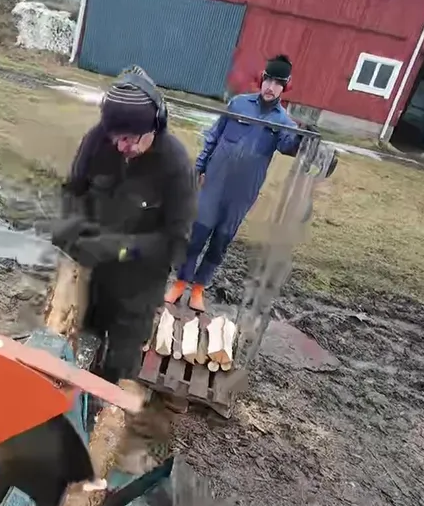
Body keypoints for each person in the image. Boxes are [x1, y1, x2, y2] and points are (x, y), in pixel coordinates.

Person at [52, 67, 197, 383]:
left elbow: (176, 241)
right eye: (115, 138)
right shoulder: (97, 140)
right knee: (78, 344)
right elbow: (73, 190)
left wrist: (120, 248)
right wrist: (71, 226)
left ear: (154, 126)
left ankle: (110, 400)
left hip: (138, 287)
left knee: (119, 366)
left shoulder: (174, 165)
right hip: (92, 276)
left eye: (130, 139)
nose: (120, 146)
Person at [166, 54, 302, 312]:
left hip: (242, 193)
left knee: (221, 241)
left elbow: (289, 146)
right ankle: (180, 283)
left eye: (278, 83)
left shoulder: (284, 122)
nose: (271, 87)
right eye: (268, 80)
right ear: (262, 79)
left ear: (285, 87)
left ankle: (198, 289)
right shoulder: (238, 104)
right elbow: (214, 136)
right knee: (196, 234)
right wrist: (199, 167)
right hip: (214, 183)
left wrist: (301, 139)